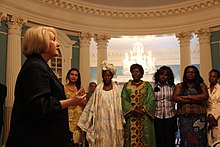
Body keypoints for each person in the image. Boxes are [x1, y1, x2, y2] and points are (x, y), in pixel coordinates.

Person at [6, 26, 87, 147]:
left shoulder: (39, 65)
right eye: (53, 40)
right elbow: (41, 106)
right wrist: (71, 101)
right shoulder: (35, 66)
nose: (58, 44)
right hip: (36, 139)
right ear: (41, 43)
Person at [78, 60, 124, 147]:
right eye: (105, 75)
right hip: (100, 121)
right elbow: (91, 106)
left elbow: (120, 106)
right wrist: (85, 122)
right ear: (102, 76)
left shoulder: (116, 90)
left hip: (113, 120)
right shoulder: (98, 89)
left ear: (112, 76)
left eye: (108, 75)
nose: (107, 77)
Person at [173, 65, 209, 147]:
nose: (190, 74)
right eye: (188, 72)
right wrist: (196, 99)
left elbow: (205, 97)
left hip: (199, 117)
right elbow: (175, 98)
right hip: (185, 117)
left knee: (200, 139)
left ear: (196, 74)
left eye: (193, 72)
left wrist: (188, 97)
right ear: (185, 74)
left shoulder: (201, 85)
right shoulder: (180, 86)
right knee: (186, 138)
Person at [121, 63, 156, 147]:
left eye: (138, 72)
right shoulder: (126, 86)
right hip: (131, 116)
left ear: (141, 74)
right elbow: (124, 99)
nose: (135, 73)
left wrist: (143, 110)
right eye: (133, 72)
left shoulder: (147, 85)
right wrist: (133, 109)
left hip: (145, 116)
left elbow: (151, 99)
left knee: (146, 139)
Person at [153, 66, 176, 147]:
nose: (163, 76)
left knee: (170, 138)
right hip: (157, 116)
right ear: (158, 75)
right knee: (159, 138)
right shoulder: (153, 86)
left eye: (165, 75)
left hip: (170, 115)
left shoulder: (173, 87)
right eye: (161, 74)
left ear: (168, 76)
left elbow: (176, 99)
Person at [64, 68, 86, 146]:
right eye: (72, 74)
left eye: (76, 75)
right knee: (68, 140)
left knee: (77, 140)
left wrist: (83, 98)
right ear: (68, 76)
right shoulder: (64, 88)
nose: (74, 76)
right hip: (68, 115)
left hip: (78, 115)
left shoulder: (79, 88)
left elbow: (84, 103)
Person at [206, 69, 220, 146]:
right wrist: (209, 115)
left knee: (217, 139)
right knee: (209, 139)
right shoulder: (205, 89)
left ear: (217, 78)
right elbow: (205, 104)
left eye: (214, 76)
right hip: (207, 116)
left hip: (217, 117)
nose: (212, 78)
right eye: (210, 76)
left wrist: (214, 116)